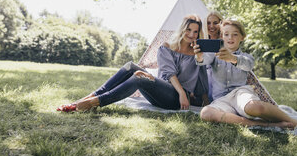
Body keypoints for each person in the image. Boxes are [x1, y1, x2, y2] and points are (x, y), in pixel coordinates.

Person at [194, 19, 297, 137]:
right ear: (221, 37)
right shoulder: (213, 55)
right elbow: (202, 60)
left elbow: (247, 65)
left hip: (241, 94)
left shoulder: (247, 57)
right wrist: (199, 56)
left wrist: (233, 58)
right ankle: (264, 125)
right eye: (226, 34)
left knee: (256, 107)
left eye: (235, 34)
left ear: (242, 37)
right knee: (206, 113)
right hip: (222, 100)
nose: (230, 38)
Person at [57, 14, 209, 112]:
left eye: (195, 32)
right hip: (163, 89)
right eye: (188, 29)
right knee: (131, 66)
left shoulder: (197, 53)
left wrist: (199, 60)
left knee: (139, 76)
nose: (191, 34)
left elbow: (202, 83)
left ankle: (94, 102)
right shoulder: (166, 48)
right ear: (182, 29)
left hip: (177, 99)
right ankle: (87, 97)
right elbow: (169, 73)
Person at [203, 11, 223, 102]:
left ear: (221, 24)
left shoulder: (226, 41)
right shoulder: (202, 41)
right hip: (204, 79)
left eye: (215, 23)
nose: (211, 26)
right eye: (208, 23)